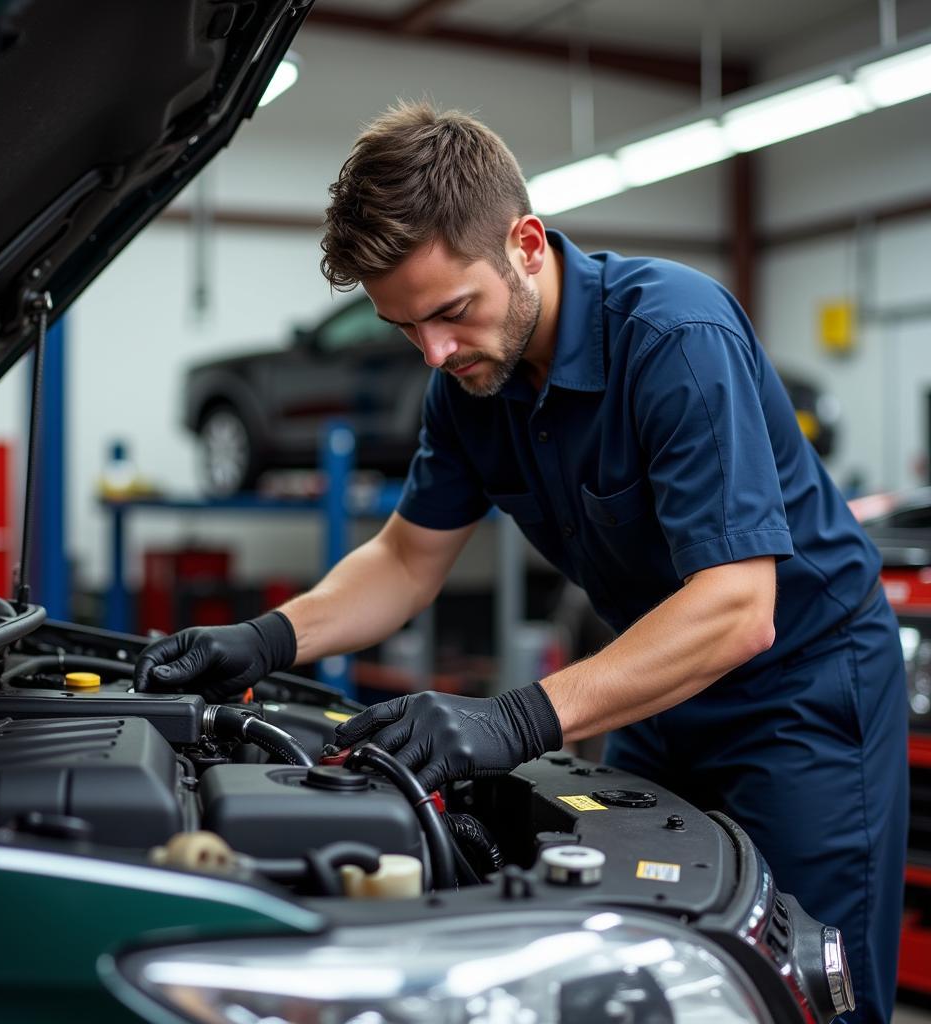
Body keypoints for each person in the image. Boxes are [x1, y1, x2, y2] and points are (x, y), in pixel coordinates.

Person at [134, 101, 908, 1023]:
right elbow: (407, 559)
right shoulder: (468, 384)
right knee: (645, 957)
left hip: (806, 695)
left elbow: (740, 609)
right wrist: (265, 639)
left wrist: (516, 718)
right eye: (406, 329)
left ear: (527, 244)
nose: (435, 351)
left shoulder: (673, 339)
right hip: (661, 688)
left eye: (453, 311)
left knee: (805, 990)